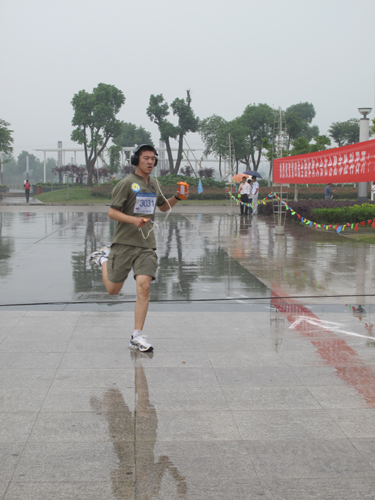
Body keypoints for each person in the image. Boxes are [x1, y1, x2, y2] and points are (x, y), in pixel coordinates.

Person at [89, 144, 186, 352]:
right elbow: (112, 213)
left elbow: (162, 207)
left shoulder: (155, 184)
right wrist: (133, 220)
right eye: (146, 158)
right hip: (124, 243)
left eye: (153, 158)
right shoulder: (126, 183)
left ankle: (136, 336)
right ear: (136, 160)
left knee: (144, 286)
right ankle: (103, 259)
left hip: (146, 245)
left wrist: (177, 197)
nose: (150, 162)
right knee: (113, 290)